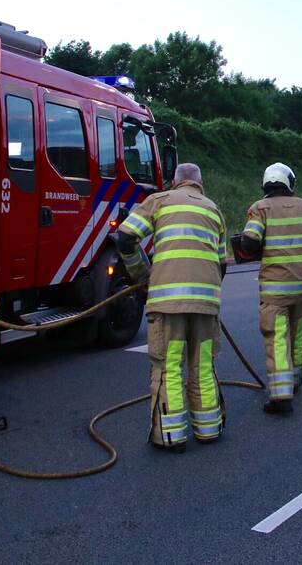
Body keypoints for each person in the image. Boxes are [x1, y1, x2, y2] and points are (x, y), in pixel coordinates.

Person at [117, 163, 228, 453]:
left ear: (174, 181)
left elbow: (126, 237)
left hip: (168, 303)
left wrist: (142, 275)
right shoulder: (213, 209)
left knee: (169, 367)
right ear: (200, 183)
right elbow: (222, 262)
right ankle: (208, 429)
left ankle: (171, 436)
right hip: (206, 304)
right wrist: (208, 293)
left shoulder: (160, 201)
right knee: (203, 364)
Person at [239, 163, 302, 415]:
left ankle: (281, 396)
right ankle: (296, 379)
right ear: (289, 182)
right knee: (298, 334)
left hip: (275, 291)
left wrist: (251, 251)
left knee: (277, 338)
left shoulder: (260, 208)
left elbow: (249, 241)